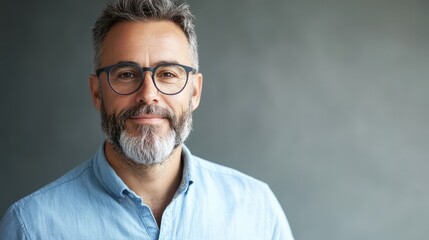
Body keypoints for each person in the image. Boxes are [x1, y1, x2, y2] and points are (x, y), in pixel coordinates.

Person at [0, 0, 294, 239]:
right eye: (126, 75)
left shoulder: (256, 209)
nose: (148, 95)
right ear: (97, 93)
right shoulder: (32, 226)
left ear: (194, 91)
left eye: (168, 74)